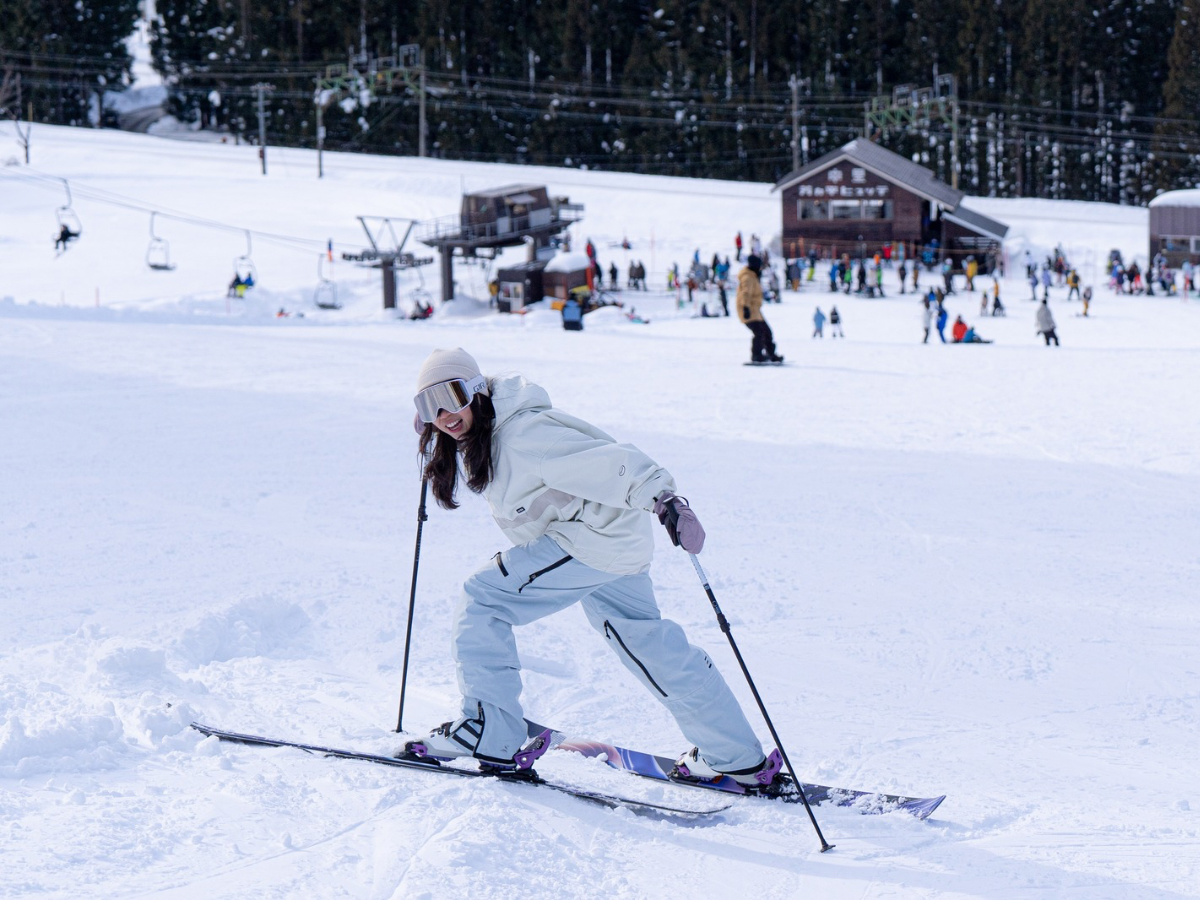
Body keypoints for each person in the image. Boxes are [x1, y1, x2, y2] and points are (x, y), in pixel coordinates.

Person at [403, 348, 782, 786]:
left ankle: (489, 729)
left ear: (476, 391)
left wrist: (665, 499)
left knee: (483, 597)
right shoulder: (487, 433)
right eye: (429, 406)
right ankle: (734, 756)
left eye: (451, 396)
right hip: (615, 543)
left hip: (592, 540)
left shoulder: (525, 434)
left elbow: (610, 462)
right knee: (650, 646)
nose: (445, 414)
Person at [737, 255, 783, 363]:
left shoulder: (753, 276)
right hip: (747, 310)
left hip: (755, 310)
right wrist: (745, 308)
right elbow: (745, 294)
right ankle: (756, 356)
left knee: (767, 332)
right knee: (759, 333)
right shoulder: (747, 278)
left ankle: (770, 354)